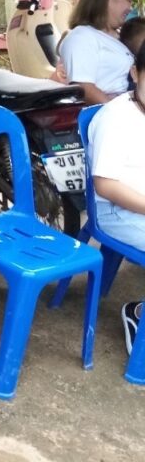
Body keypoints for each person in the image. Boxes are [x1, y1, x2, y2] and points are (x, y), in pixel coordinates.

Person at [87, 40, 145, 355]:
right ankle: (138, 315)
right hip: (117, 211)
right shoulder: (117, 118)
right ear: (135, 73)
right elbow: (106, 186)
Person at [58, 0, 135, 106]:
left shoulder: (116, 36)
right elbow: (84, 87)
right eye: (128, 0)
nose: (130, 8)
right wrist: (119, 112)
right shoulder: (82, 36)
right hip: (109, 113)